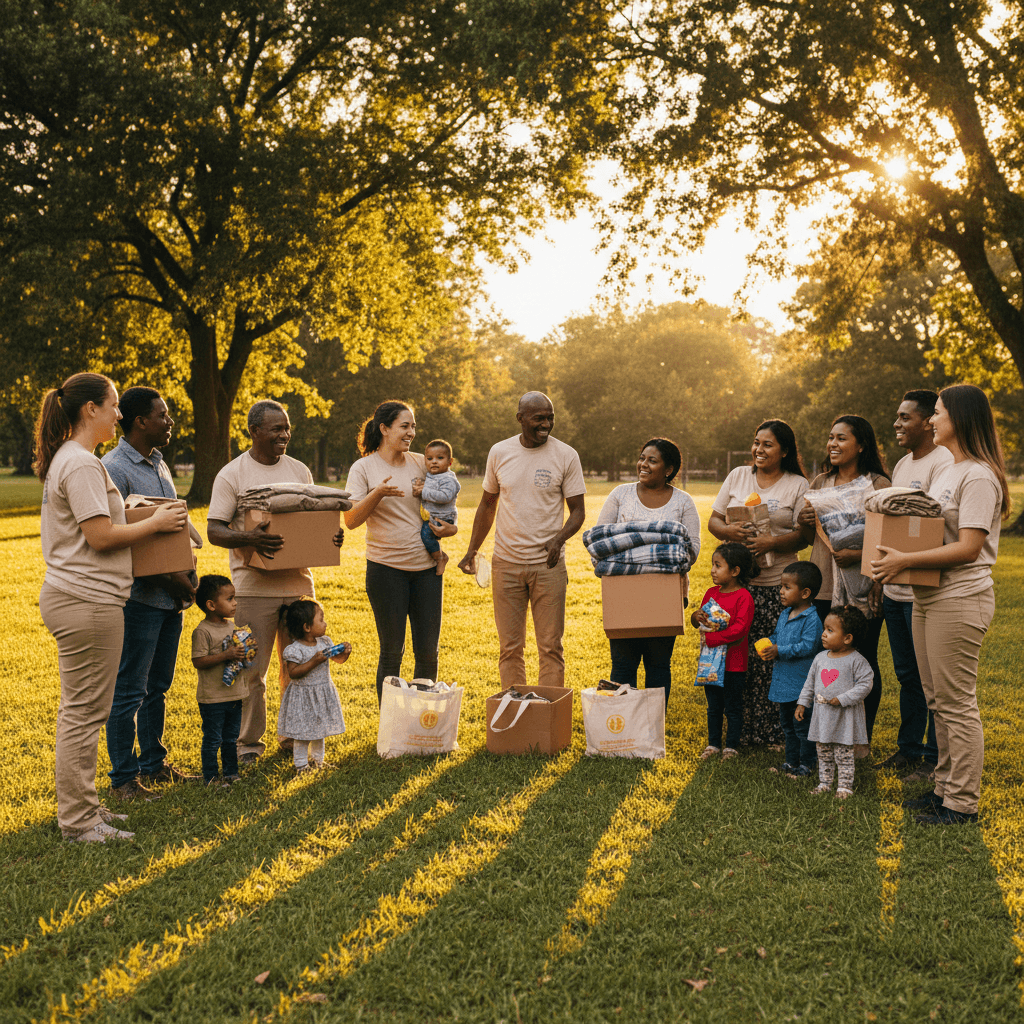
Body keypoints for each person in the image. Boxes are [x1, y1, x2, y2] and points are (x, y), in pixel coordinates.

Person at [35, 373, 187, 842]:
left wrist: (164, 521)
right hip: (87, 600)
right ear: (90, 411)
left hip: (84, 598)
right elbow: (100, 536)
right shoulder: (81, 463)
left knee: (84, 710)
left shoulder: (79, 460)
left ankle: (86, 808)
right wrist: (157, 520)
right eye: (114, 406)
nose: (119, 414)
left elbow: (110, 519)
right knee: (83, 713)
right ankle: (79, 823)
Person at [870, 384, 1010, 826]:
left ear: (961, 418)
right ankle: (942, 789)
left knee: (956, 702)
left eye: (940, 412)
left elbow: (969, 547)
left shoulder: (979, 476)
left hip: (960, 597)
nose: (932, 420)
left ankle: (961, 804)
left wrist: (904, 560)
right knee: (936, 699)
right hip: (928, 596)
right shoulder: (951, 469)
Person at [207, 400, 344, 764]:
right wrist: (250, 538)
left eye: (287, 428)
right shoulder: (232, 474)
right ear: (254, 431)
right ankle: (248, 744)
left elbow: (311, 521)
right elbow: (214, 530)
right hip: (253, 588)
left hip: (298, 586)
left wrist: (330, 537)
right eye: (275, 429)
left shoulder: (299, 470)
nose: (284, 435)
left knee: (298, 668)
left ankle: (293, 737)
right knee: (253, 671)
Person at [101, 387, 200, 801]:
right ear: (140, 421)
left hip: (170, 598)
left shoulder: (159, 463)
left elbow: (169, 531)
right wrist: (175, 583)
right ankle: (124, 779)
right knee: (130, 689)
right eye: (162, 415)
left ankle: (153, 763)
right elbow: (129, 539)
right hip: (140, 598)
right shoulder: (114, 468)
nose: (169, 421)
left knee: (157, 686)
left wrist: (186, 579)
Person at [457, 392, 586, 690]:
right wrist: (472, 549)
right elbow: (487, 505)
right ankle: (515, 713)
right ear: (520, 418)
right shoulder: (500, 452)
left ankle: (548, 716)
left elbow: (578, 511)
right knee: (510, 648)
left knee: (551, 648)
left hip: (548, 566)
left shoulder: (566, 455)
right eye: (539, 418)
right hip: (506, 565)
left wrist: (559, 539)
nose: (546, 424)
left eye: (550, 418)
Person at [345, 402, 457, 703]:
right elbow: (352, 520)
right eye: (405, 426)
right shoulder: (364, 468)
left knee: (427, 652)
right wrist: (377, 493)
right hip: (386, 570)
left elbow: (448, 503)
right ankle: (391, 726)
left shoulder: (423, 462)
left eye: (414, 426)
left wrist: (449, 529)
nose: (412, 432)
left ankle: (421, 720)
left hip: (426, 571)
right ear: (384, 428)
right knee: (392, 651)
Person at [709, 420, 809, 746]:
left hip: (779, 586)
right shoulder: (738, 475)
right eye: (756, 443)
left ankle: (775, 731)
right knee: (738, 659)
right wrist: (729, 533)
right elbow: (714, 520)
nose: (759, 450)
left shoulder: (797, 484)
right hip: (740, 587)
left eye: (767, 444)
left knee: (771, 656)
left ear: (784, 450)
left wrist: (772, 543)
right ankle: (740, 729)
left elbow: (805, 535)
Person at [873, 390, 954, 777]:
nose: (897, 424)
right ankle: (908, 750)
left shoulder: (945, 462)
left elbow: (930, 522)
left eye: (906, 418)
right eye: (897, 416)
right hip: (893, 589)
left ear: (927, 422)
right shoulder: (903, 465)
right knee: (907, 676)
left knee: (931, 680)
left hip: (923, 589)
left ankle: (935, 756)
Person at [797, 415, 890, 746]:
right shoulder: (820, 482)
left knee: (861, 663)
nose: (832, 444)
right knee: (823, 662)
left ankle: (859, 740)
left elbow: (888, 537)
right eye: (831, 438)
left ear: (861, 445)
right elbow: (807, 534)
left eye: (842, 439)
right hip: (822, 585)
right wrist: (805, 519)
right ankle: (824, 736)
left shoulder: (878, 484)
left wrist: (858, 556)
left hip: (863, 588)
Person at [595, 437, 701, 704]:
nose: (643, 464)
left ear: (669, 469)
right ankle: (620, 732)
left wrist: (637, 555)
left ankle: (652, 737)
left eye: (652, 460)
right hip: (623, 595)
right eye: (642, 458)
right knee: (622, 667)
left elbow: (692, 551)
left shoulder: (683, 502)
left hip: (665, 597)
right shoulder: (620, 494)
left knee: (658, 667)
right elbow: (601, 543)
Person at [796, 605, 874, 799]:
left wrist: (843, 699)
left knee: (843, 753)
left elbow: (866, 684)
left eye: (830, 631)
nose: (823, 634)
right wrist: (802, 703)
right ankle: (825, 783)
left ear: (847, 638)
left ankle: (845, 786)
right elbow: (810, 683)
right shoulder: (820, 658)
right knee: (824, 753)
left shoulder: (856, 660)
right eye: (824, 629)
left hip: (844, 718)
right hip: (822, 717)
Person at [692, 542, 758, 761]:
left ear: (735, 571)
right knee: (713, 706)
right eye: (713, 564)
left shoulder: (743, 597)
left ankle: (731, 746)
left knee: (732, 706)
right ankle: (713, 744)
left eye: (718, 565)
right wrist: (696, 617)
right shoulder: (712, 593)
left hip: (734, 663)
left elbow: (741, 628)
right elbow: (702, 617)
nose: (712, 570)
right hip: (710, 663)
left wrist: (714, 639)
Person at [760, 561, 823, 778]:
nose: (781, 591)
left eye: (787, 587)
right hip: (784, 683)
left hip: (801, 685)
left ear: (805, 593)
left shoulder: (812, 619)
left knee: (802, 728)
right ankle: (790, 762)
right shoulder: (785, 614)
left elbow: (808, 646)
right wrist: (770, 643)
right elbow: (778, 637)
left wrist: (780, 650)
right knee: (787, 726)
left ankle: (807, 764)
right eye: (781, 586)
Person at [278, 598, 350, 773]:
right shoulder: (295, 650)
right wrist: (314, 661)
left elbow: (337, 660)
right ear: (307, 627)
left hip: (322, 693)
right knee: (302, 734)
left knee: (320, 729)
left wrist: (344, 653)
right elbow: (293, 673)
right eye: (321, 619)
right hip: (303, 697)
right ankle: (301, 765)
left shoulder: (325, 642)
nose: (325, 623)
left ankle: (318, 762)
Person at [191, 575, 249, 787]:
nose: (235, 603)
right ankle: (211, 777)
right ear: (211, 605)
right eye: (230, 598)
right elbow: (198, 660)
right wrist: (227, 655)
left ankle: (231, 773)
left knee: (230, 738)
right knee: (213, 739)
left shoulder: (232, 626)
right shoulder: (202, 631)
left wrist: (247, 652)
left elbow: (238, 654)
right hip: (213, 698)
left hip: (235, 694)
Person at [418, 439, 461, 575]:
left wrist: (423, 491)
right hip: (434, 515)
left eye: (440, 458)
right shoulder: (433, 475)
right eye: (429, 458)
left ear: (450, 461)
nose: (434, 461)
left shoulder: (448, 479)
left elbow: (445, 496)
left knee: (426, 536)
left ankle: (440, 557)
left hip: (442, 518)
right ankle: (439, 555)